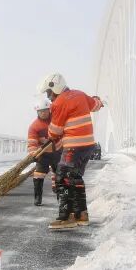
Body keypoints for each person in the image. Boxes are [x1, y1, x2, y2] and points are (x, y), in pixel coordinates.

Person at [37, 72, 103, 230]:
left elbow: (55, 131)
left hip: (74, 146)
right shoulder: (80, 94)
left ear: (55, 88)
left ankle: (66, 217)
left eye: (49, 93)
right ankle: (81, 215)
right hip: (88, 145)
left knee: (62, 177)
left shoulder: (59, 103)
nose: (49, 97)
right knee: (75, 178)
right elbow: (95, 105)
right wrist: (99, 101)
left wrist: (50, 136)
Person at [27, 96, 60, 206]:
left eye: (45, 110)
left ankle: (59, 193)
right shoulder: (34, 126)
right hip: (43, 154)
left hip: (57, 152)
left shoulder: (56, 120)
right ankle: (38, 198)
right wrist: (34, 154)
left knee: (60, 173)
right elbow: (32, 143)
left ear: (49, 109)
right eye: (40, 111)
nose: (43, 113)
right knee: (38, 175)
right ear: (37, 112)